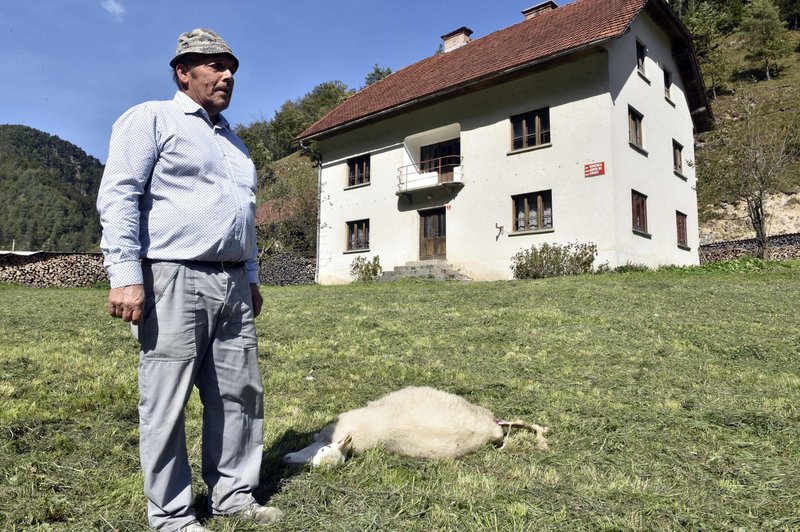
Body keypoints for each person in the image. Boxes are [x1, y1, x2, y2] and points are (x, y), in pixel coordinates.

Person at [96, 29, 282, 532]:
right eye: (216, 65)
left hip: (233, 285)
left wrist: (251, 277)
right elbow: (119, 197)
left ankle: (233, 496)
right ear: (184, 71)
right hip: (172, 276)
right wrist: (126, 276)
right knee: (167, 399)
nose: (227, 76)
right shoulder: (152, 118)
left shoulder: (236, 144)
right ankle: (172, 515)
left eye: (232, 69)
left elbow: (244, 217)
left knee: (239, 394)